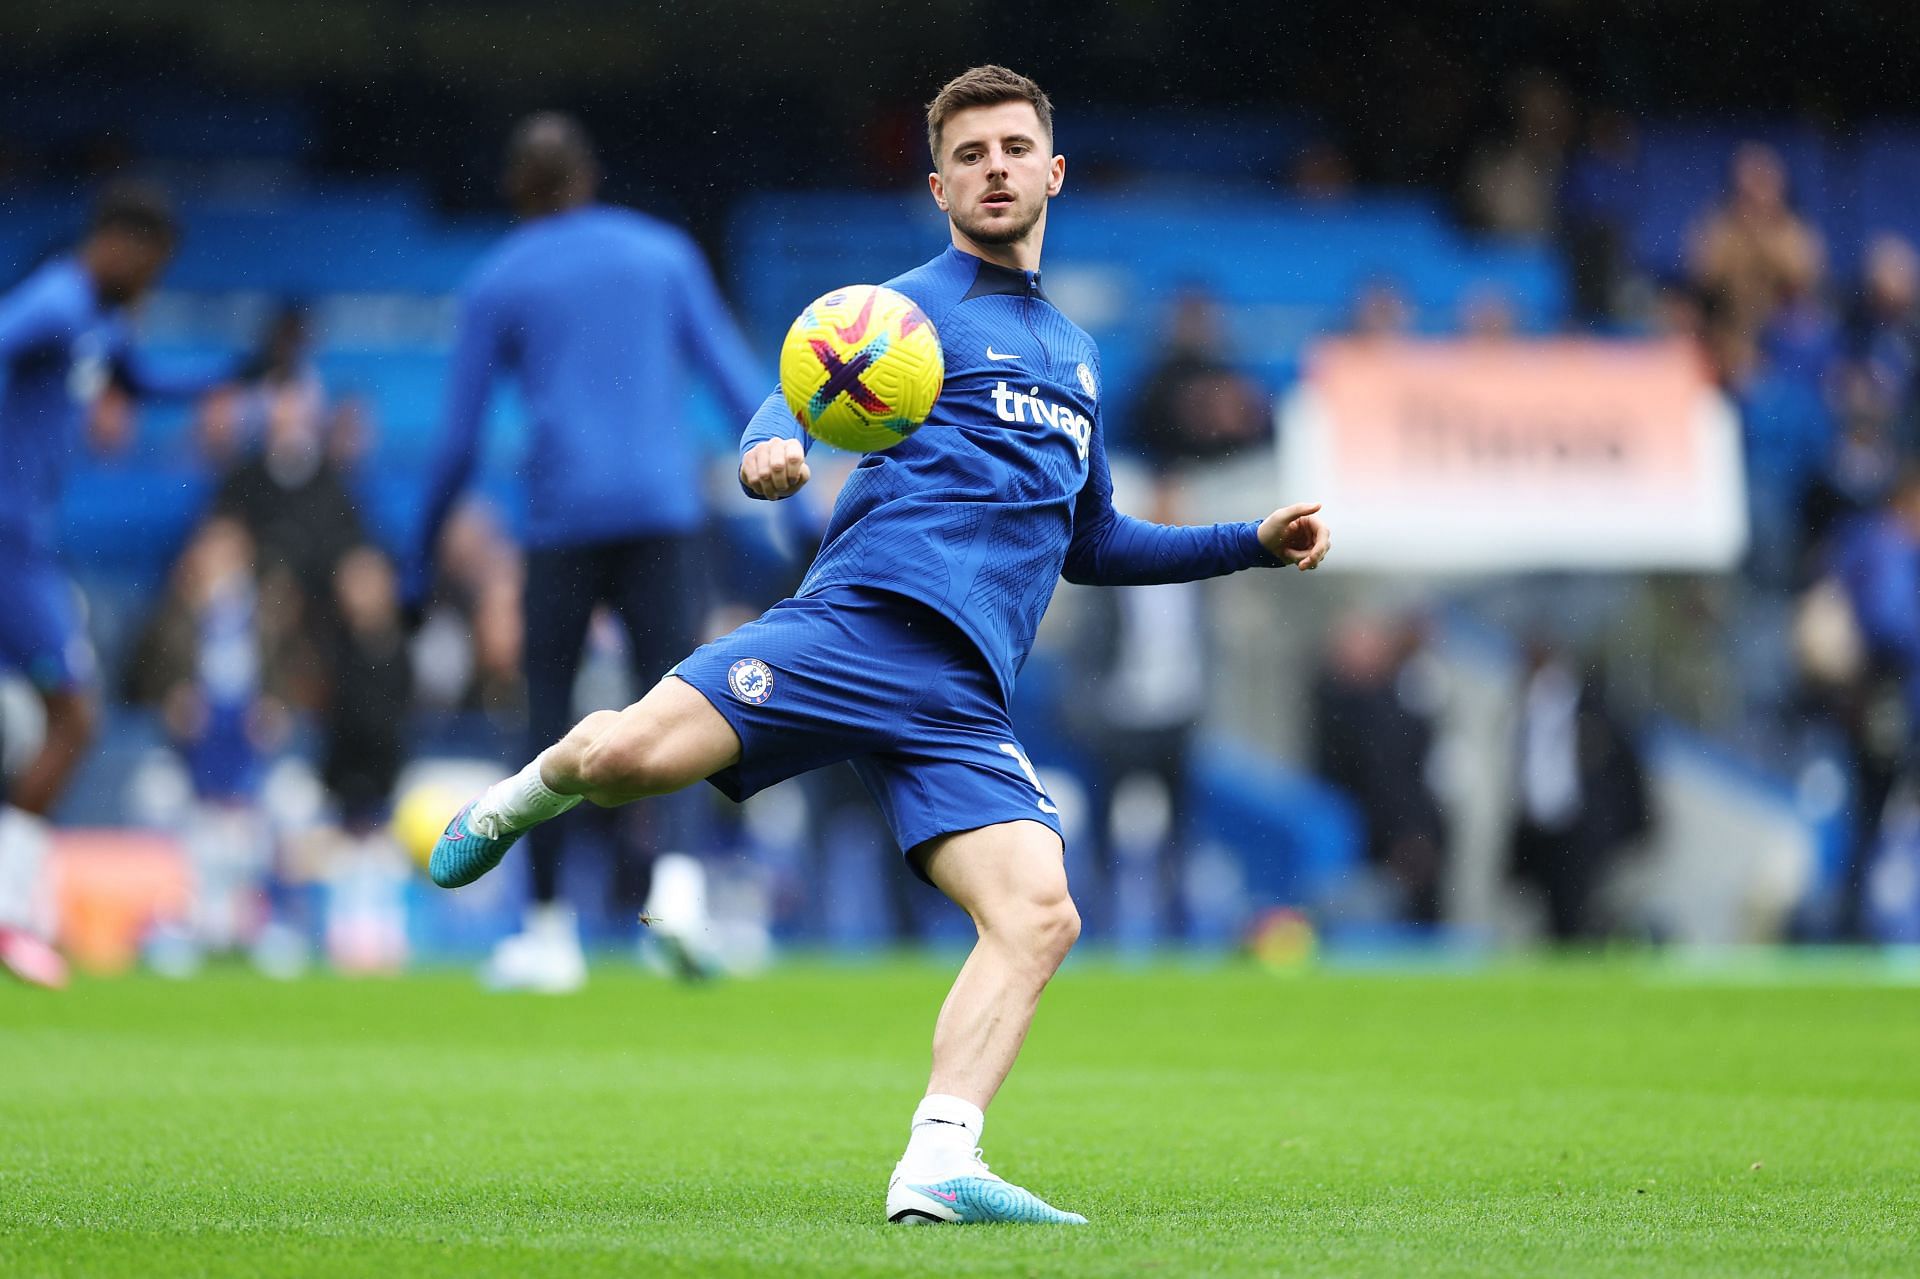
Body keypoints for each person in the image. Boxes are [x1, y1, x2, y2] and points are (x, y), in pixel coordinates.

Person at [425, 65, 1331, 1225]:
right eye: (971, 154)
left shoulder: (1078, 358)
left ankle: (940, 1159)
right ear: (940, 185)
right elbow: (789, 395)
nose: (995, 167)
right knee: (622, 765)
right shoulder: (903, 309)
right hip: (855, 628)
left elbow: (1092, 542)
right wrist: (768, 449)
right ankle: (508, 808)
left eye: (1015, 148)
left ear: (1051, 172)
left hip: (962, 691)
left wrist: (1245, 541)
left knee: (1041, 912)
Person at [414, 112, 767, 994]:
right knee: (683, 705)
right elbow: (737, 382)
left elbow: (456, 442)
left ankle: (546, 934)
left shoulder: (499, 277)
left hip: (562, 522)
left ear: (516, 190)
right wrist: (788, 485)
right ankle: (678, 899)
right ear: (589, 176)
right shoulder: (663, 253)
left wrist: (420, 562)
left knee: (544, 712)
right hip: (663, 512)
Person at [0, 181, 221, 988]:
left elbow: (142, 380)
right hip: (9, 543)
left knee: (63, 721)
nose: (153, 282)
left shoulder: (101, 317)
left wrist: (236, 372)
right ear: (121, 245)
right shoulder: (58, 303)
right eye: (152, 265)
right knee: (74, 717)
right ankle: (11, 914)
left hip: (25, 542)